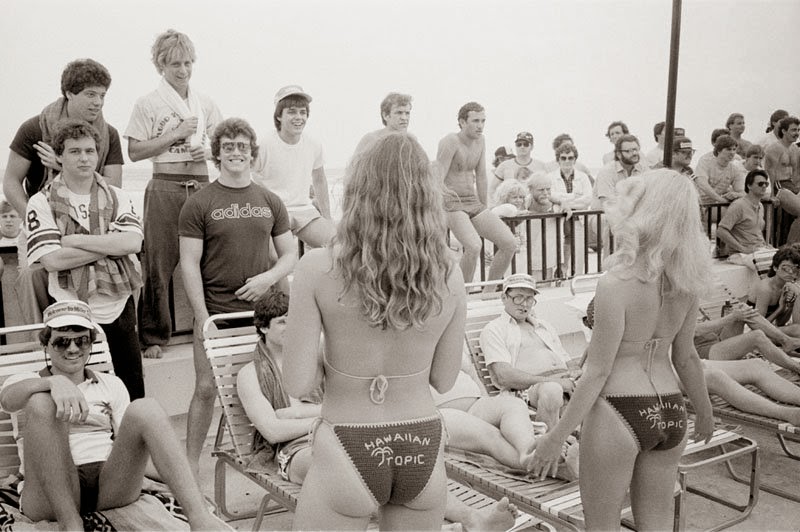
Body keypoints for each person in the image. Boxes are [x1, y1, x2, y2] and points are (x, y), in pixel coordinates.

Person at [283, 132, 466, 530]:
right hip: (421, 441)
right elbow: (445, 378)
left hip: (347, 443)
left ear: (357, 189)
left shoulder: (317, 268)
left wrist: (330, 356)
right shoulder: (450, 275)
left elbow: (297, 382)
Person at [240, 287, 516, 532]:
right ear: (263, 328)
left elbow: (357, 400)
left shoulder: (319, 355)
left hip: (340, 432)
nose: (292, 327)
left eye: (294, 319)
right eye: (282, 322)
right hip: (294, 450)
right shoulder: (250, 374)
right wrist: (323, 419)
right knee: (342, 472)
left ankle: (471, 518)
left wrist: (304, 414)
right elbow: (273, 431)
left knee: (395, 464)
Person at [530, 169, 715, 530]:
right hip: (671, 408)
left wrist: (558, 435)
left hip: (620, 407)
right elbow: (686, 357)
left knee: (601, 523)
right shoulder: (687, 280)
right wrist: (705, 411)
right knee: (658, 520)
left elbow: (597, 371)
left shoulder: (616, 283)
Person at [0, 300, 224, 530]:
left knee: (146, 408)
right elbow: (7, 399)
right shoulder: (27, 381)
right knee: (41, 402)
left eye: (81, 340)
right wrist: (52, 382)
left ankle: (201, 521)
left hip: (108, 484)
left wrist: (174, 480)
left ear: (91, 344)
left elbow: (129, 447)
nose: (73, 349)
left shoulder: (111, 384)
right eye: (62, 342)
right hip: (49, 493)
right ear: (46, 345)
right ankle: (70, 523)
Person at [179, 117, 297, 474]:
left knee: (274, 383)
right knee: (205, 389)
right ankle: (189, 465)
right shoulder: (199, 203)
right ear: (217, 154)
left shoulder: (270, 201)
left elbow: (290, 255)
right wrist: (202, 320)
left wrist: (268, 279)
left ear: (252, 153)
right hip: (216, 314)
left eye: (242, 146)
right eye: (228, 146)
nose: (235, 152)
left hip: (261, 318)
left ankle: (277, 451)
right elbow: (188, 265)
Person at [25, 120, 145, 400]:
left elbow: (132, 242)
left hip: (118, 303)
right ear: (59, 156)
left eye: (90, 151)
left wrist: (75, 240)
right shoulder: (41, 202)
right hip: (69, 304)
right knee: (79, 389)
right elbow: (52, 260)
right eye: (75, 151)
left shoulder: (117, 196)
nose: (84, 158)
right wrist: (109, 245)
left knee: (132, 387)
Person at [125, 29, 223, 360]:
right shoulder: (148, 103)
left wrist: (207, 152)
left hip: (201, 185)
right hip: (165, 183)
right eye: (175, 65)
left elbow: (223, 146)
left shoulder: (206, 103)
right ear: (160, 66)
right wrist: (175, 135)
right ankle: (153, 335)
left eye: (187, 63)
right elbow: (135, 151)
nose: (182, 70)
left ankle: (215, 325)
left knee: (212, 259)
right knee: (158, 261)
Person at [3, 58, 124, 326]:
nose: (98, 103)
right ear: (69, 93)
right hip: (42, 225)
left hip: (94, 228)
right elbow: (11, 182)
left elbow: (114, 187)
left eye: (103, 95)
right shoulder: (34, 129)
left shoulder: (109, 135)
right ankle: (43, 347)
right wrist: (35, 221)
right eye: (90, 94)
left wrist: (62, 166)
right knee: (34, 283)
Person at [480, 273, 580, 430]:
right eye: (518, 298)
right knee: (552, 390)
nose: (524, 304)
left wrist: (577, 372)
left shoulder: (544, 326)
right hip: (529, 390)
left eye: (529, 299)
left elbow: (568, 361)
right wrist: (554, 382)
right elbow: (503, 376)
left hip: (566, 382)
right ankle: (548, 447)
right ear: (504, 297)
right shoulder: (495, 329)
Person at [437, 102, 516, 288]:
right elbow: (437, 177)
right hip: (452, 202)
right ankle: (463, 296)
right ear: (462, 122)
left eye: (483, 121)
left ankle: (488, 292)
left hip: (472, 201)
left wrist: (485, 208)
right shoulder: (450, 141)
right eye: (475, 121)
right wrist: (436, 209)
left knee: (509, 243)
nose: (480, 125)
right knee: (473, 246)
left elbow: (481, 176)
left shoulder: (481, 141)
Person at [253, 85, 334, 249]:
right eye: (291, 111)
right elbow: (245, 179)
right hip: (272, 212)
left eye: (302, 112)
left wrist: (327, 218)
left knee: (337, 247)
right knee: (277, 258)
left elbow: (319, 180)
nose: (298, 117)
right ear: (279, 117)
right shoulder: (264, 144)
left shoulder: (313, 144)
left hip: (304, 211)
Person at [547, 143, 592, 276]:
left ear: (575, 159)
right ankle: (560, 276)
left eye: (570, 158)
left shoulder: (583, 177)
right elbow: (550, 195)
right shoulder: (550, 177)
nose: (567, 161)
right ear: (558, 159)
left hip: (578, 220)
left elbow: (587, 199)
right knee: (557, 252)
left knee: (578, 254)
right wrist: (574, 197)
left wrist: (564, 201)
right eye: (563, 158)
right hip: (558, 221)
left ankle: (576, 279)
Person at [716, 169, 773, 259]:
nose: (764, 186)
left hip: (758, 251)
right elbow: (721, 231)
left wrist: (766, 245)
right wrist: (743, 249)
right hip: (740, 255)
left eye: (766, 184)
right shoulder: (739, 205)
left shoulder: (760, 206)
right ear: (749, 186)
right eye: (760, 184)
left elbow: (755, 232)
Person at [745, 244, 800, 332]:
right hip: (750, 330)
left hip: (768, 327)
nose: (790, 272)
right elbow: (757, 326)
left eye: (795, 269)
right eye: (785, 268)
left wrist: (789, 306)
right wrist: (780, 308)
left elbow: (780, 323)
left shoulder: (787, 287)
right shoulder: (765, 289)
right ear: (775, 268)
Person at [351, 92, 413, 158]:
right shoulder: (371, 139)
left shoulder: (411, 141)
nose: (404, 118)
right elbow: (353, 167)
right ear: (385, 115)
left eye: (407, 113)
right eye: (399, 113)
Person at [489, 131, 548, 201]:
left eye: (525, 144)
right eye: (519, 144)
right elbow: (492, 189)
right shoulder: (504, 165)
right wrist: (500, 204)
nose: (522, 147)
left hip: (534, 206)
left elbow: (548, 189)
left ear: (531, 147)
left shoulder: (540, 166)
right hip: (511, 208)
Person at [695, 134, 746, 204]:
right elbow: (702, 184)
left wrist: (736, 194)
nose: (732, 153)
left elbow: (742, 192)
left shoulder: (734, 169)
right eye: (728, 149)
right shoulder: (706, 161)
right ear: (719, 150)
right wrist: (720, 199)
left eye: (734, 149)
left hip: (715, 205)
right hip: (697, 203)